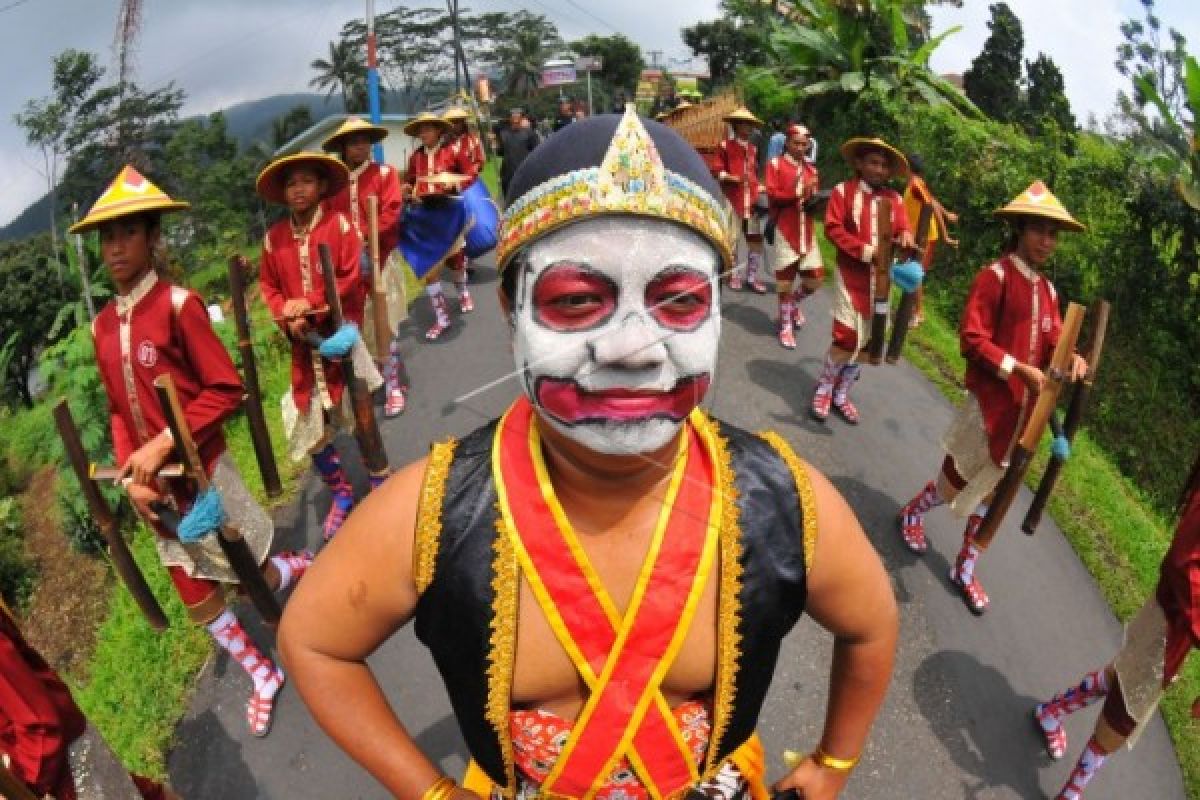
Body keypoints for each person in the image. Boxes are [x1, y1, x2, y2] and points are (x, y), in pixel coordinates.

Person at [279, 107, 898, 799]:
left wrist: (835, 762)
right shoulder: (431, 513)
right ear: (512, 314)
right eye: (576, 299)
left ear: (719, 315)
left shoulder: (784, 499)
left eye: (679, 302)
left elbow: (872, 624)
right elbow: (315, 642)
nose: (632, 349)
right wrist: (428, 790)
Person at [76, 166, 312, 737]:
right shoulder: (101, 326)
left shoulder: (179, 305)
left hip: (202, 473)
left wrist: (165, 442)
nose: (114, 248)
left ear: (153, 238)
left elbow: (226, 388)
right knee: (195, 591)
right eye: (106, 238)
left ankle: (293, 567)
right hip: (157, 492)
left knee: (246, 569)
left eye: (126, 234)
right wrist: (133, 473)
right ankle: (262, 672)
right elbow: (116, 406)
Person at [896, 181, 1088, 614]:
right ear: (1020, 229)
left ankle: (965, 564)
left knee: (994, 493)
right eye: (1039, 229)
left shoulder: (1049, 292)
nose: (1046, 241)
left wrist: (1073, 358)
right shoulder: (995, 275)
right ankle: (911, 513)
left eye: (1053, 234)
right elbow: (971, 338)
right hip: (990, 405)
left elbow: (1055, 342)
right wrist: (1016, 368)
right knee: (956, 477)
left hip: (1026, 417)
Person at [1032, 453, 1200, 799]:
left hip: (1176, 621)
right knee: (1124, 714)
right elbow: (1183, 562)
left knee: (1121, 679)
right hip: (1173, 620)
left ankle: (1051, 711)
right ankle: (1071, 793)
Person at [257, 152, 386, 541]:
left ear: (321, 186)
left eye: (306, 182)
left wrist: (309, 303)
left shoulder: (340, 225)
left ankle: (381, 484)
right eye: (291, 183)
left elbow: (349, 277)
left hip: (339, 338)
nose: (299, 190)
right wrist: (286, 312)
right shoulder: (273, 238)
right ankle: (342, 492)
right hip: (302, 348)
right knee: (307, 426)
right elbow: (268, 287)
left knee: (360, 414)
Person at [0, 599, 179, 799]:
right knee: (140, 792)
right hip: (51, 750)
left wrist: (23, 786)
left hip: (57, 759)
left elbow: (40, 723)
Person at [811, 137, 915, 425]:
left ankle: (842, 392)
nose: (879, 170)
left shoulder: (894, 199)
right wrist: (866, 252)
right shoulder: (844, 192)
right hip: (851, 275)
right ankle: (824, 387)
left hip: (882, 282)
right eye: (873, 162)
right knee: (846, 335)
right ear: (858, 163)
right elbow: (832, 229)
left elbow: (904, 228)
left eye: (884, 165)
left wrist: (905, 237)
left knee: (870, 339)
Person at [322, 116, 410, 418]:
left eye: (365, 140)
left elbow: (391, 214)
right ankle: (374, 378)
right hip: (346, 268)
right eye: (353, 141)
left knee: (384, 322)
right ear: (343, 148)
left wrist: (363, 240)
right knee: (359, 324)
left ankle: (395, 384)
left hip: (379, 258)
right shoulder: (332, 186)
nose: (360, 146)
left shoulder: (384, 174)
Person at [401, 112, 478, 340]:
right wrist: (407, 190)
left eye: (428, 129)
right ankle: (442, 318)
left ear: (438, 131)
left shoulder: (453, 150)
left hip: (450, 212)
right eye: (421, 130)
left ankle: (463, 291)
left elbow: (471, 174)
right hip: (425, 214)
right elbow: (410, 181)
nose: (424, 134)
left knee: (455, 261)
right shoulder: (416, 157)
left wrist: (453, 186)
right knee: (429, 267)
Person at [765, 124, 823, 348]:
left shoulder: (811, 169)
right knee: (784, 283)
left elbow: (813, 199)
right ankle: (786, 325)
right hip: (785, 228)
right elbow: (772, 194)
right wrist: (799, 192)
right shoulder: (775, 165)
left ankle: (792, 305)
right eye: (796, 143)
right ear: (787, 143)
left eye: (804, 144)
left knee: (815, 279)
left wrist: (815, 200)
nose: (800, 148)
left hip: (806, 230)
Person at [713, 107, 767, 293]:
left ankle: (751, 276)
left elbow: (754, 172)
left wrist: (759, 186)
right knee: (732, 238)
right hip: (732, 198)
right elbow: (718, 171)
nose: (749, 127)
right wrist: (733, 178)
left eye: (750, 124)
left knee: (755, 238)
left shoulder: (753, 149)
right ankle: (733, 274)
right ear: (736, 125)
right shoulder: (725, 146)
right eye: (745, 124)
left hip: (751, 199)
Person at [902, 153, 959, 329]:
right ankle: (910, 311)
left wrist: (945, 234)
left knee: (915, 273)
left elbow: (931, 205)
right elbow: (932, 200)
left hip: (924, 236)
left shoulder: (916, 185)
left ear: (907, 167)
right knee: (909, 270)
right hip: (916, 235)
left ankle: (918, 314)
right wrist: (948, 214)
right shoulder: (916, 183)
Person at [496, 107, 539, 200]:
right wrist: (495, 146)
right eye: (513, 116)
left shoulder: (529, 133)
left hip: (524, 171)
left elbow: (536, 152)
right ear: (509, 119)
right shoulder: (503, 134)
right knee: (509, 199)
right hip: (508, 173)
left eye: (517, 116)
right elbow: (501, 152)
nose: (515, 119)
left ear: (522, 118)